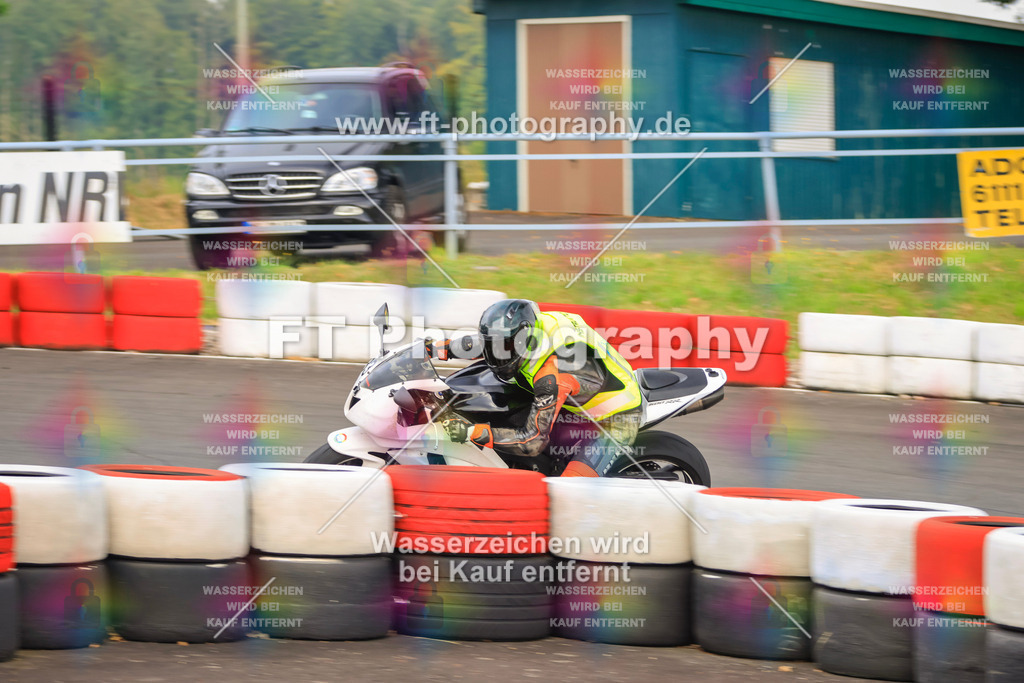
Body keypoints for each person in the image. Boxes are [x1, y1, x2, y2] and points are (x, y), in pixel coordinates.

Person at [427, 299, 642, 476]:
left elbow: (531, 442)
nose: (496, 354)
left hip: (614, 419)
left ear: (525, 341)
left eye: (505, 348)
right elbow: (492, 341)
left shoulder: (552, 374)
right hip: (578, 401)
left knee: (568, 491)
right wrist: (434, 349)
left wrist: (469, 432)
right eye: (495, 346)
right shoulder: (528, 331)